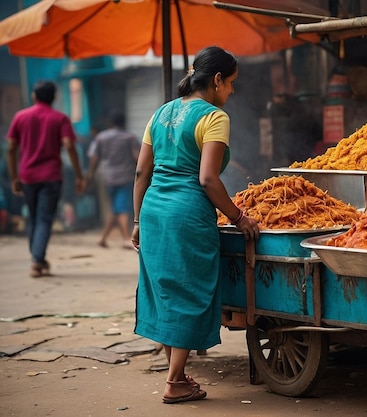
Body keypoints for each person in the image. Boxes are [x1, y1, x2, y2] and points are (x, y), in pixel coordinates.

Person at [131, 46, 259, 404]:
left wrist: (138, 220)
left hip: (154, 211)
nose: (232, 91)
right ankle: (174, 382)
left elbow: (142, 172)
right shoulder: (214, 117)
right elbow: (208, 179)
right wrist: (239, 217)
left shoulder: (159, 113)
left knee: (167, 290)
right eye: (231, 83)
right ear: (217, 80)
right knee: (190, 291)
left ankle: (179, 373)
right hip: (188, 214)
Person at [6, 80, 85, 277]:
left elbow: (11, 148)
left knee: (34, 217)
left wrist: (14, 176)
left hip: (27, 176)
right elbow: (68, 145)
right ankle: (37, 259)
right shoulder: (60, 118)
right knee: (43, 218)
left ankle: (37, 258)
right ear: (55, 98)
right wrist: (79, 174)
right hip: (51, 176)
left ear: (34, 96)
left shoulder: (20, 116)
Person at [86, 109, 140, 249]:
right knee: (121, 208)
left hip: (108, 177)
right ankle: (126, 238)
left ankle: (103, 238)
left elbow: (94, 158)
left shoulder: (101, 137)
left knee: (116, 207)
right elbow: (137, 157)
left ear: (110, 122)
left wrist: (90, 175)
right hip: (125, 177)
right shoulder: (129, 137)